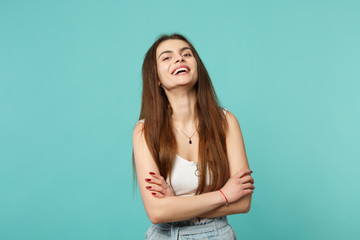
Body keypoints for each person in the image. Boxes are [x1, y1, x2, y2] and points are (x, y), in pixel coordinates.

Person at [132, 33, 255, 239]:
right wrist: (223, 195)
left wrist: (176, 206)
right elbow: (157, 212)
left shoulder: (226, 121)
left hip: (219, 234)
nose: (179, 59)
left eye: (186, 54)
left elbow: (243, 203)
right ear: (157, 79)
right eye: (167, 57)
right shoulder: (144, 130)